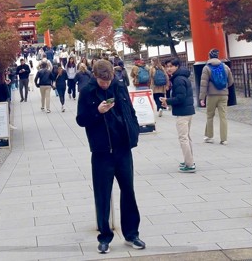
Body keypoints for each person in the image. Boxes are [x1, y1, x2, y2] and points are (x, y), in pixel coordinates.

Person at [75, 60, 145, 254]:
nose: (105, 84)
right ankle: (104, 237)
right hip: (102, 151)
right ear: (95, 76)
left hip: (123, 149)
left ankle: (131, 234)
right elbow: (81, 119)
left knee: (128, 192)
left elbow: (130, 111)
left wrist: (134, 130)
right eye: (102, 81)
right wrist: (97, 112)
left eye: (108, 81)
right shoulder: (87, 91)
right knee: (103, 195)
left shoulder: (119, 86)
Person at [160, 57, 196, 173]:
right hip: (187, 110)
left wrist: (167, 100)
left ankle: (189, 164)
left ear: (177, 66)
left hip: (183, 111)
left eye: (171, 66)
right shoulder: (181, 77)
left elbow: (180, 97)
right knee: (186, 137)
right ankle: (189, 160)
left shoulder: (178, 79)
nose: (169, 69)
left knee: (183, 138)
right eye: (167, 66)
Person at [198, 48, 233, 145]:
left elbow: (204, 84)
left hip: (211, 95)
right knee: (223, 117)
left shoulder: (206, 68)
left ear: (209, 56)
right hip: (224, 95)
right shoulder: (225, 67)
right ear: (218, 56)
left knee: (210, 116)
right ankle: (224, 139)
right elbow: (231, 82)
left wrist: (202, 98)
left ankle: (209, 137)